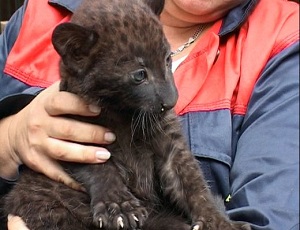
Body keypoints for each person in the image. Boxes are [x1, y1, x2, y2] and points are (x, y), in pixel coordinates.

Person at [0, 0, 299, 229]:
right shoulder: (39, 14)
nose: (171, 99)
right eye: (140, 76)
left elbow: (274, 213)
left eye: (167, 62)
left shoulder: (282, 36)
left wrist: (210, 216)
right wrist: (10, 137)